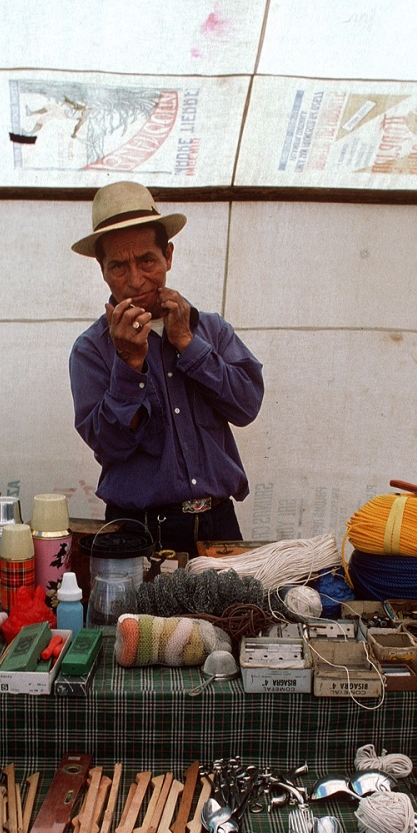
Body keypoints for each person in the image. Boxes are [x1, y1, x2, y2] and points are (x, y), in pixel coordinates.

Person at [69, 181, 264, 555]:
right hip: (137, 533)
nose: (136, 279)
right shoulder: (91, 350)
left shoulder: (210, 330)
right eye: (118, 266)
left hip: (219, 526)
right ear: (102, 270)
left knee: (232, 616)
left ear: (168, 256)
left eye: (147, 260)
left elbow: (246, 406)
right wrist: (128, 364)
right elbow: (110, 446)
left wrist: (190, 347)